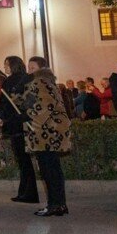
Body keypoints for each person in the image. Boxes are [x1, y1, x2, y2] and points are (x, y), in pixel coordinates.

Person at [22, 56, 71, 216]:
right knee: (54, 170)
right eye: (28, 67)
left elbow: (45, 107)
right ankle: (59, 204)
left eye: (32, 68)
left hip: (45, 134)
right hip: (52, 132)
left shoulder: (39, 82)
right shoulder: (49, 82)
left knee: (48, 171)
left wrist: (27, 115)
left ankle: (54, 205)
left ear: (41, 69)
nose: (29, 71)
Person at [0, 56, 38, 204]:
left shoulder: (12, 81)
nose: (5, 68)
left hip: (17, 123)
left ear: (13, 65)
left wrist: (4, 117)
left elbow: (6, 103)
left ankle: (28, 193)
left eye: (6, 65)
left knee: (23, 160)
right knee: (24, 160)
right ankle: (26, 192)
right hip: (23, 121)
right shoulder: (25, 79)